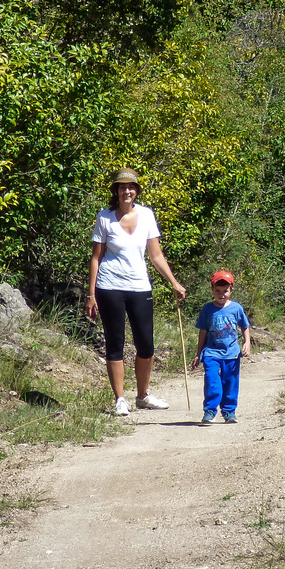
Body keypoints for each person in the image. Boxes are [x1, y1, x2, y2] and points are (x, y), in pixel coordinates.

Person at [86, 168, 187, 416]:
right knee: (115, 343)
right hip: (109, 287)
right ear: (116, 191)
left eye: (131, 187)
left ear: (137, 191)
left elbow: (156, 255)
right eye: (122, 187)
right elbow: (96, 258)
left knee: (146, 345)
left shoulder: (146, 215)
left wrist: (174, 282)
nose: (127, 191)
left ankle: (142, 396)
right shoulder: (105, 217)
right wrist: (91, 295)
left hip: (140, 286)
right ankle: (120, 399)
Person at [194, 269, 251, 424]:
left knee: (230, 383)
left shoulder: (236, 308)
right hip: (211, 352)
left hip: (232, 353)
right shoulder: (207, 309)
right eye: (217, 291)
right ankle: (210, 411)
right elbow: (203, 332)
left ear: (231, 290)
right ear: (212, 290)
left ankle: (229, 412)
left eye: (225, 291)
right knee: (212, 381)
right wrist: (198, 354)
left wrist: (247, 343)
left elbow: (245, 326)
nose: (221, 294)